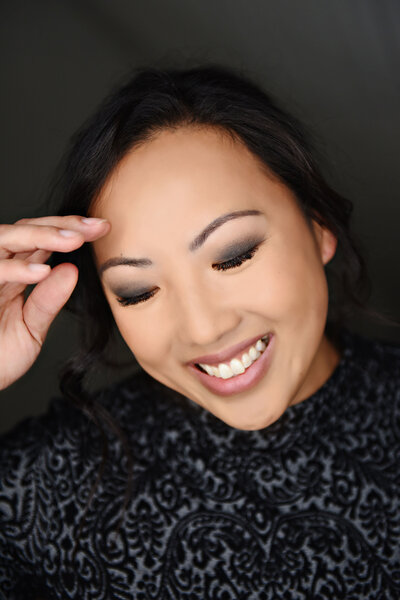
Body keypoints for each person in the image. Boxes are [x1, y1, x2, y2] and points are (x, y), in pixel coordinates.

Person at [0, 65, 399, 600]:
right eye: (138, 291)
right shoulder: (57, 486)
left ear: (318, 226)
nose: (204, 328)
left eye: (233, 255)